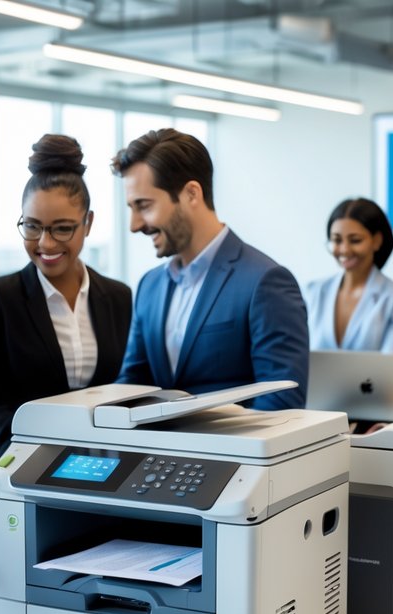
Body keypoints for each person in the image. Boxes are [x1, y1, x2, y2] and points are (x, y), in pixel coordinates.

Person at [110, 128, 308, 408]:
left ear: (192, 193)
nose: (134, 225)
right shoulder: (149, 286)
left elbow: (282, 400)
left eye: (144, 205)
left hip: (232, 451)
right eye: (131, 208)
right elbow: (132, 386)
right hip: (158, 452)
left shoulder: (264, 281)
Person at [0, 134, 133, 454]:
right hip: (31, 458)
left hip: (112, 459)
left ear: (88, 223)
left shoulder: (118, 297)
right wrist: (20, 451)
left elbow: (131, 386)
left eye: (61, 228)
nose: (45, 243)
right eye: (32, 227)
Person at [304, 197, 393, 356]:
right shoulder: (312, 291)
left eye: (355, 240)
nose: (344, 250)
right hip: (314, 382)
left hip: (374, 382)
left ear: (377, 241)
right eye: (336, 240)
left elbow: (389, 366)